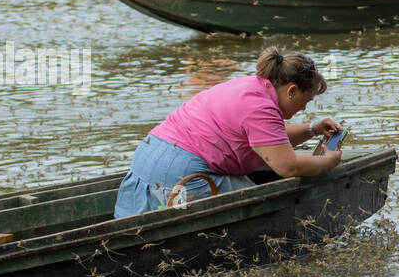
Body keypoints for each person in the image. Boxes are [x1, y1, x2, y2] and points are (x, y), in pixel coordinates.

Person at [113, 47, 342, 219]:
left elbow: (269, 139)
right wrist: (328, 162)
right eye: (306, 100)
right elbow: (287, 166)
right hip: (180, 172)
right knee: (264, 209)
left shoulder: (250, 86)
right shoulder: (261, 108)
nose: (304, 108)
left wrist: (312, 129)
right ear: (292, 90)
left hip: (148, 157)